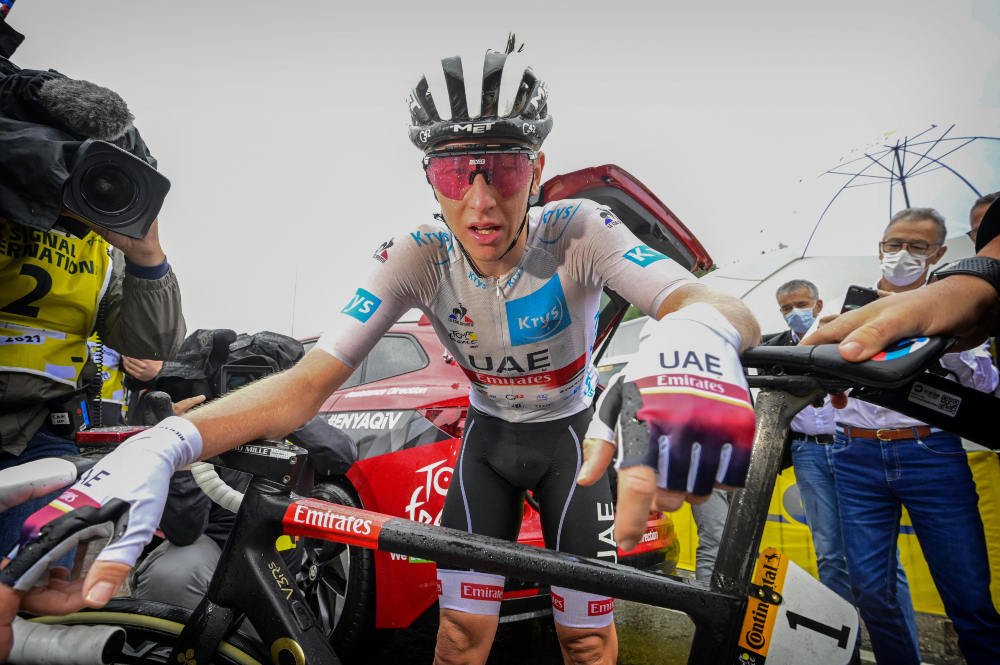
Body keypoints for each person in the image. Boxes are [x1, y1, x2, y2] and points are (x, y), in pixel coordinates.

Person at [0, 45, 760, 665]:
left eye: (504, 168)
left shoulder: (581, 229)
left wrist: (694, 333)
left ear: (538, 166)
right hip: (488, 449)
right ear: (429, 176)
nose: (481, 201)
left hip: (571, 446)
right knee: (459, 639)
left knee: (586, 642)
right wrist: (172, 438)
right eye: (454, 171)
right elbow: (305, 384)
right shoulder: (418, 254)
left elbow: (710, 302)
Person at [0, 73, 186, 565]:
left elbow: (151, 343)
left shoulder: (104, 250)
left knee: (32, 584)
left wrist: (147, 256)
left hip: (41, 433)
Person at [827, 208, 1000, 664]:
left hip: (931, 453)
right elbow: (827, 393)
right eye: (894, 244)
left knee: (968, 596)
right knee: (870, 591)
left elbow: (986, 387)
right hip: (854, 453)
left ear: (938, 253)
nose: (903, 253)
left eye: (918, 246)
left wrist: (945, 340)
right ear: (880, 248)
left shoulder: (964, 307)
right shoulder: (847, 309)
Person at [768, 279, 917, 624]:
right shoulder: (775, 350)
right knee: (829, 554)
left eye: (801, 305)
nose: (794, 313)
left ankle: (896, 640)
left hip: (852, 447)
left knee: (881, 556)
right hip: (808, 455)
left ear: (818, 305)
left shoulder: (851, 340)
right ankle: (843, 640)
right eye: (787, 308)